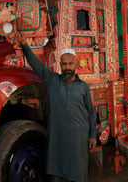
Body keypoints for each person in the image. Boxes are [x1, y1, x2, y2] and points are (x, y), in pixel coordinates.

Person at [18, 35, 96, 182]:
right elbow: (36, 65)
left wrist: (92, 135)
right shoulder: (52, 80)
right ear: (60, 65)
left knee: (78, 173)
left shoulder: (83, 87)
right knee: (56, 174)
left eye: (70, 64)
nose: (67, 67)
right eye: (64, 64)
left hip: (78, 138)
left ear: (75, 64)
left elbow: (91, 112)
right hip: (58, 138)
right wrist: (24, 45)